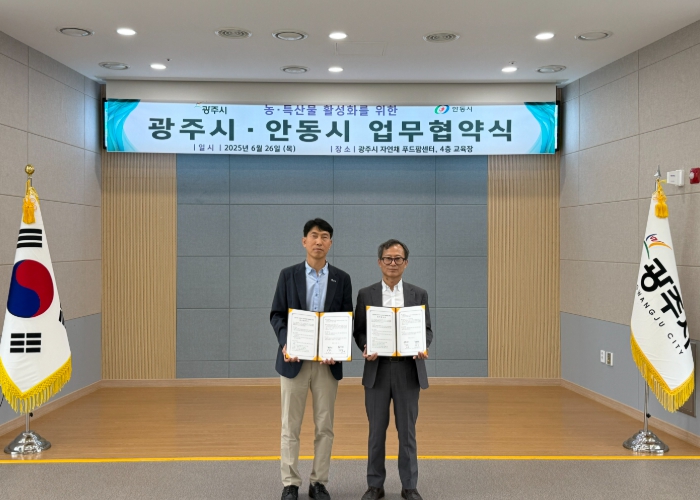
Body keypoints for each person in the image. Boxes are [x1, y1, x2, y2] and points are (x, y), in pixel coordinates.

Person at [270, 218, 353, 500]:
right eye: (314, 236)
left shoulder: (342, 278)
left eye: (325, 236)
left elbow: (346, 318)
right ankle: (290, 482)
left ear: (330, 243)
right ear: (304, 241)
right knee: (290, 426)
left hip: (327, 365)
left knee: (325, 426)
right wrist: (286, 342)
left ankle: (318, 482)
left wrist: (337, 349)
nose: (319, 241)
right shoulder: (288, 275)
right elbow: (277, 314)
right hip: (293, 361)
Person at [353, 239, 433, 500]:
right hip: (377, 370)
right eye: (388, 258)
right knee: (376, 432)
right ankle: (375, 485)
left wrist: (422, 345)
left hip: (408, 370)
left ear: (406, 263)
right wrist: (365, 345)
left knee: (407, 432)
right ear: (379, 262)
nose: (393, 263)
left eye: (398, 259)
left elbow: (427, 330)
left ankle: (409, 486)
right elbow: (359, 331)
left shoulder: (418, 294)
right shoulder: (366, 294)